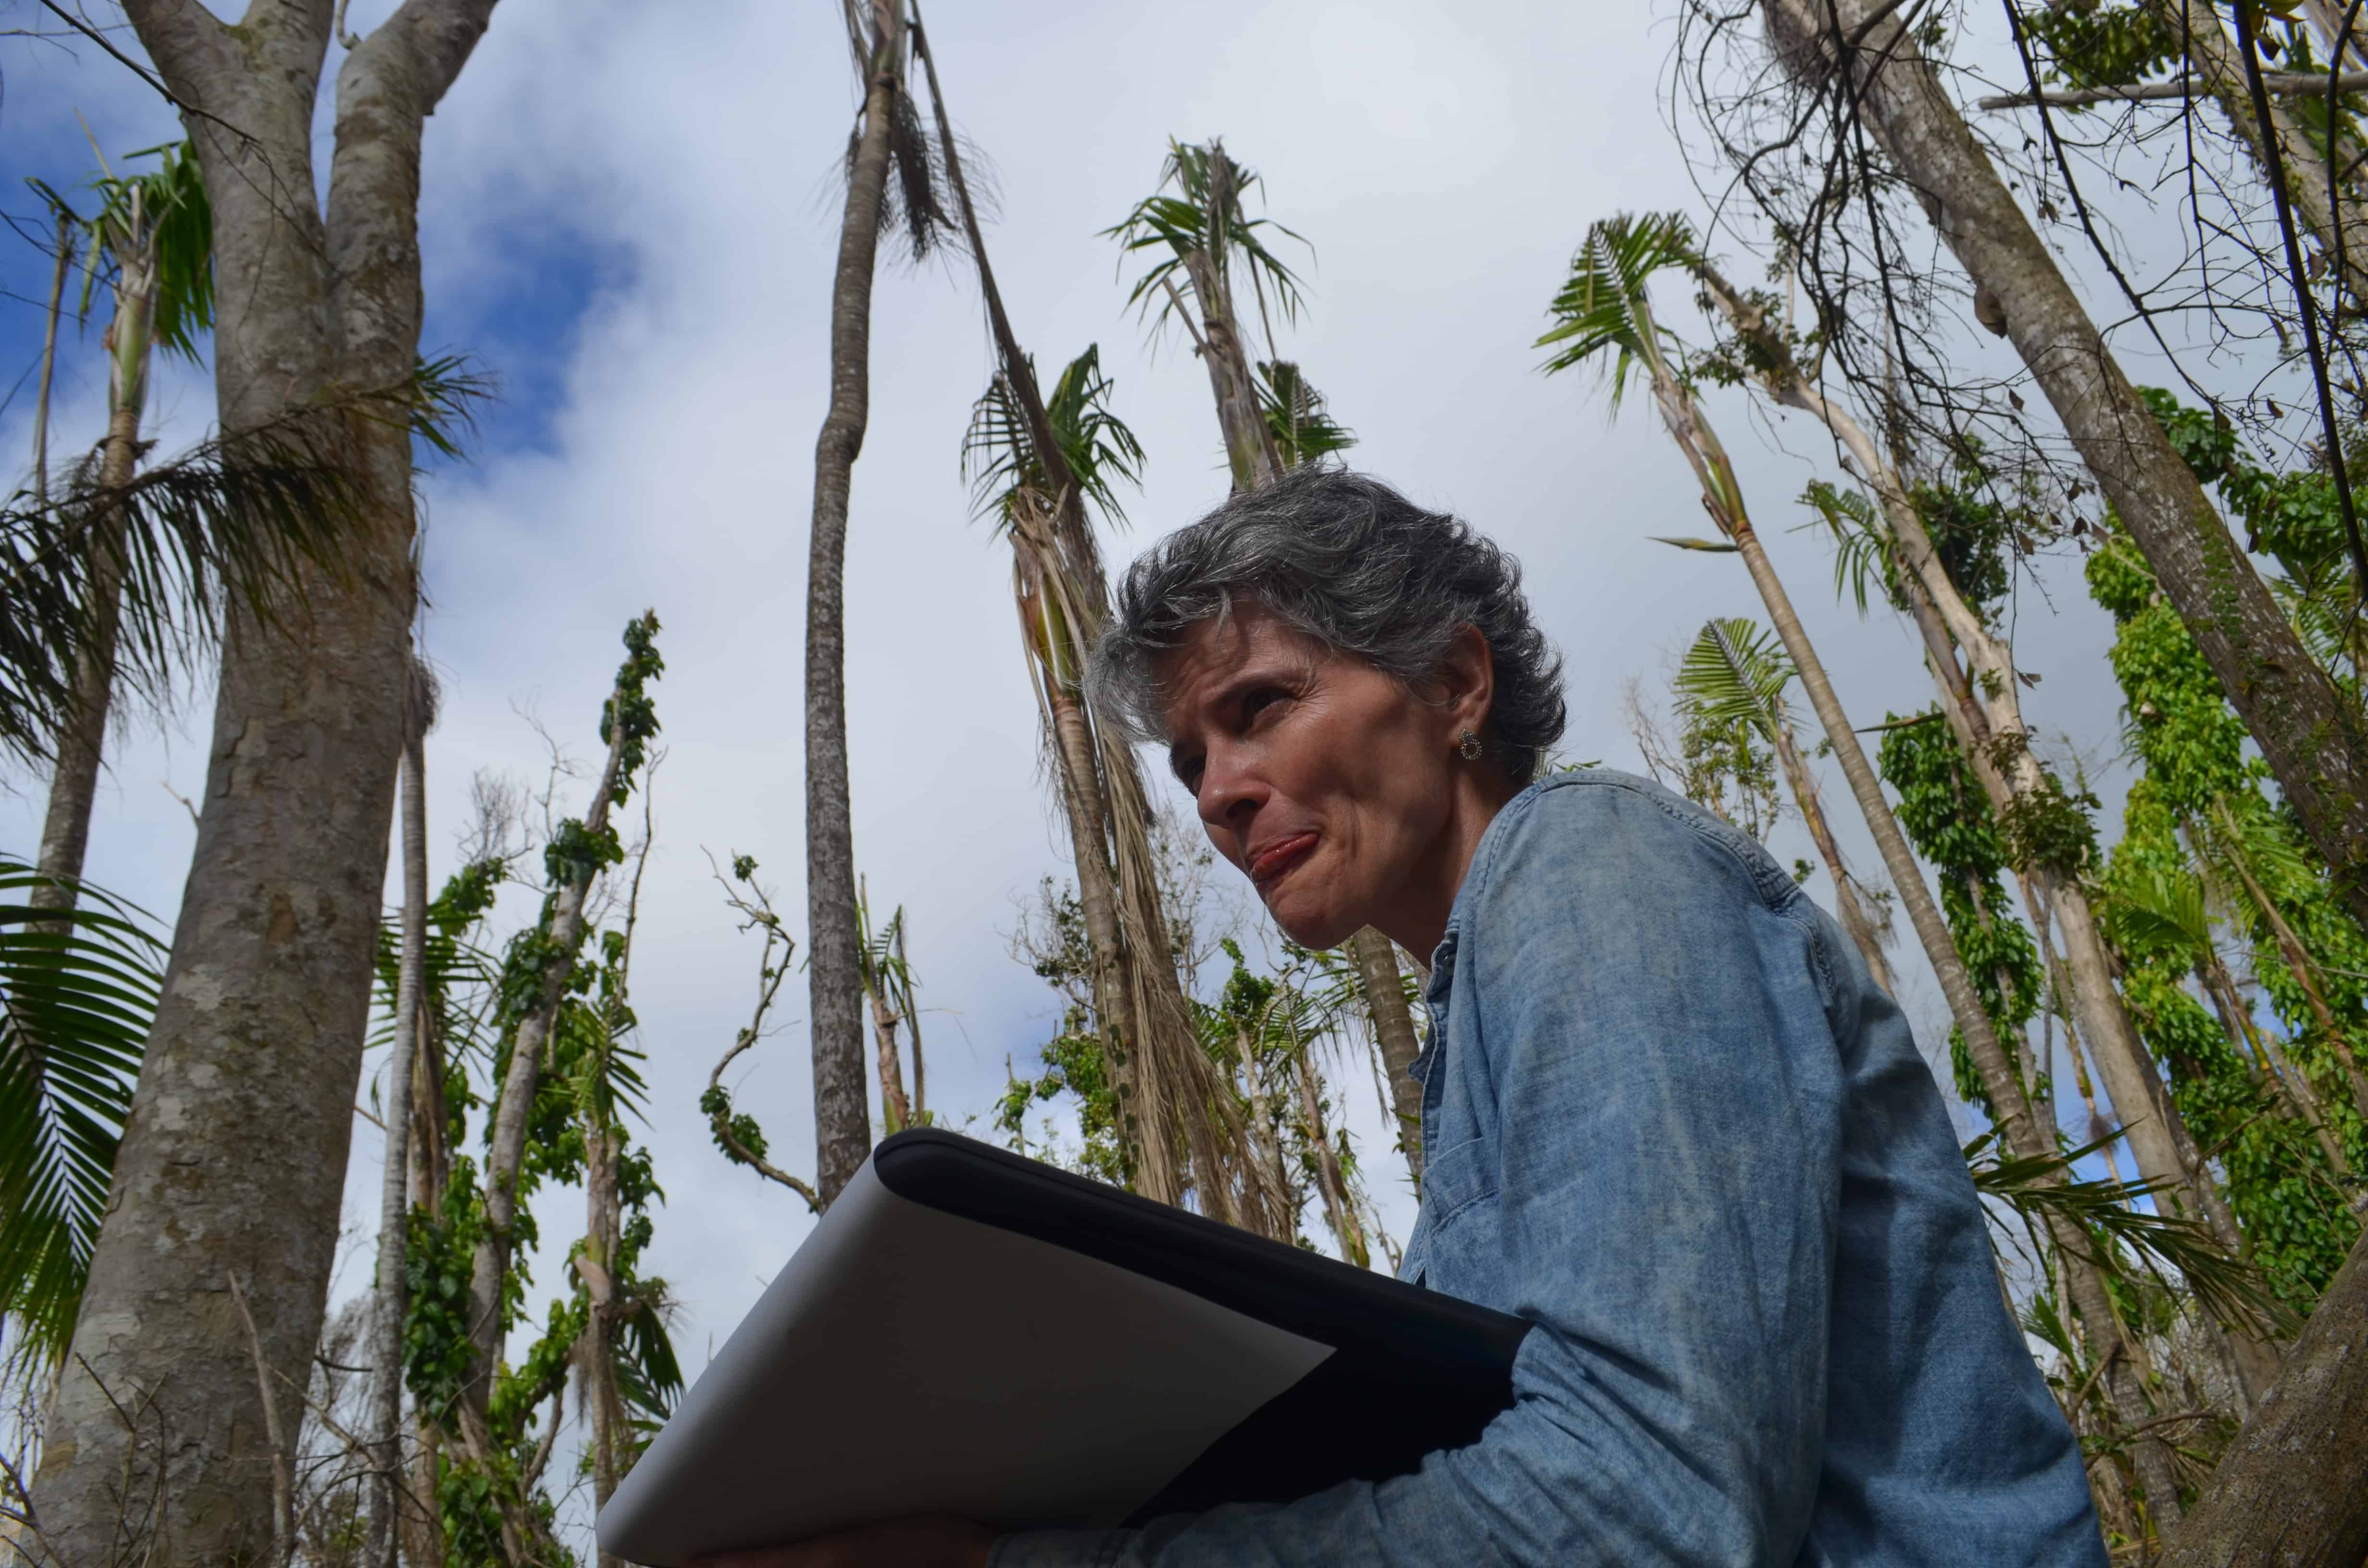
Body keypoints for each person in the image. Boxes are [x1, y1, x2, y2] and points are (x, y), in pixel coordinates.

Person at [717, 468, 2106, 1567]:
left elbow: (1653, 1507)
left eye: (1261, 707)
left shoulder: (1589, 870)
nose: (1215, 792)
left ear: (1455, 684)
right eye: (1195, 759)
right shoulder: (1483, 1009)